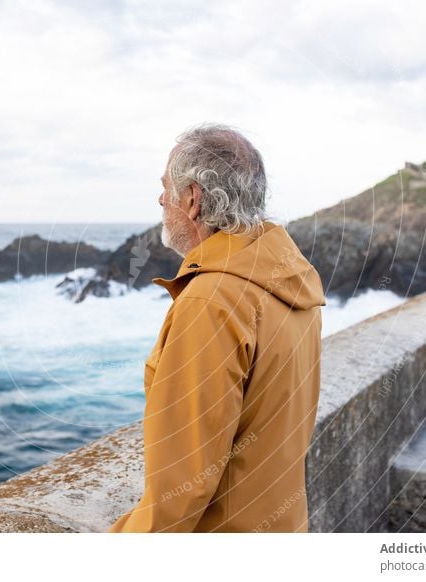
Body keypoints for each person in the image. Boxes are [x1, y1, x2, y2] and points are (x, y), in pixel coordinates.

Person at [107, 123, 326, 532]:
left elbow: (180, 493)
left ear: (192, 199)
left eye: (165, 186)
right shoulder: (289, 280)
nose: (160, 198)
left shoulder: (210, 302)